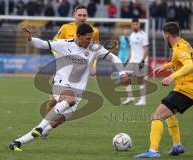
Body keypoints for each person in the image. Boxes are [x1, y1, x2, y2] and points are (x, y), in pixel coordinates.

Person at [8, 23, 130, 152]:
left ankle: (18, 142)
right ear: (79, 36)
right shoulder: (64, 44)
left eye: (91, 38)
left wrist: (122, 73)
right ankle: (39, 128)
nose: (91, 41)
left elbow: (113, 57)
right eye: (88, 38)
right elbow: (44, 44)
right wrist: (30, 39)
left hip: (78, 91)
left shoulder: (94, 48)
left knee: (54, 123)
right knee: (69, 100)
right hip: (61, 83)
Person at [134, 22, 193, 158]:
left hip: (185, 91)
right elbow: (180, 61)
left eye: (164, 35)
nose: (164, 38)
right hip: (192, 90)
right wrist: (165, 67)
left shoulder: (178, 49)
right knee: (169, 113)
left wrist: (171, 76)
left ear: (167, 35)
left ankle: (153, 151)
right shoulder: (184, 44)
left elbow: (188, 65)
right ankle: (177, 146)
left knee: (156, 116)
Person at [41, 5, 99, 138]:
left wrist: (93, 65)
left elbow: (95, 50)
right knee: (52, 102)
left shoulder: (93, 31)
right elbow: (54, 44)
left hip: (80, 73)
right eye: (80, 15)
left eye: (84, 15)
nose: (82, 18)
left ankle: (46, 129)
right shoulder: (65, 28)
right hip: (64, 70)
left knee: (70, 106)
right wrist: (58, 56)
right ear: (74, 15)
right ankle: (44, 124)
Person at [122, 18, 149, 106]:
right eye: (133, 24)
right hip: (132, 60)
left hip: (139, 61)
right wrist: (128, 59)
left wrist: (142, 60)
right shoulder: (132, 35)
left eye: (136, 24)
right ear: (131, 25)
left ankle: (143, 100)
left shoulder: (143, 35)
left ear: (139, 25)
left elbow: (146, 48)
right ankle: (130, 97)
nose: (134, 26)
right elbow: (131, 48)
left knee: (140, 80)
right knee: (124, 77)